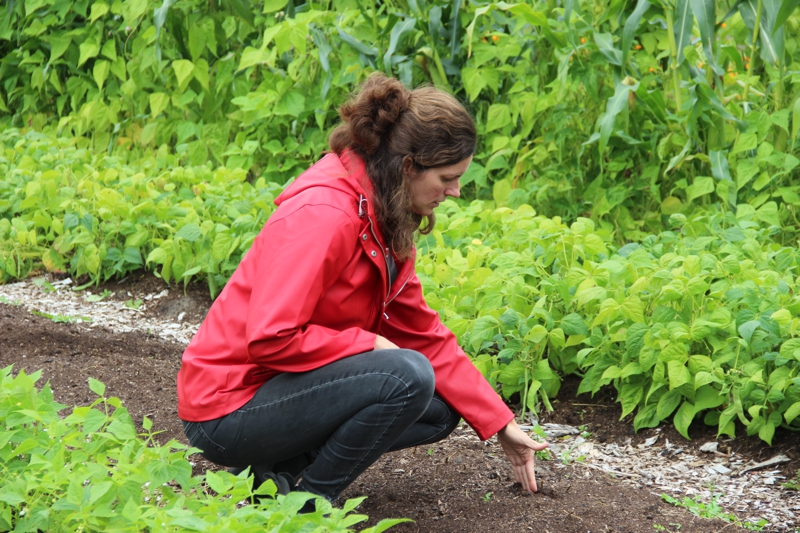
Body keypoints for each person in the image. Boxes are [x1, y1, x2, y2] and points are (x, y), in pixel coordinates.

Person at [177, 74, 548, 510]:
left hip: (275, 390)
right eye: (447, 177)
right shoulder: (324, 215)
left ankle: (272, 477)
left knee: (441, 402)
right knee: (407, 375)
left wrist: (499, 421)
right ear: (408, 166)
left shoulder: (383, 211)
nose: (456, 191)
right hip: (226, 408)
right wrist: (367, 343)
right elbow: (269, 337)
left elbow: (423, 332)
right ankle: (311, 504)